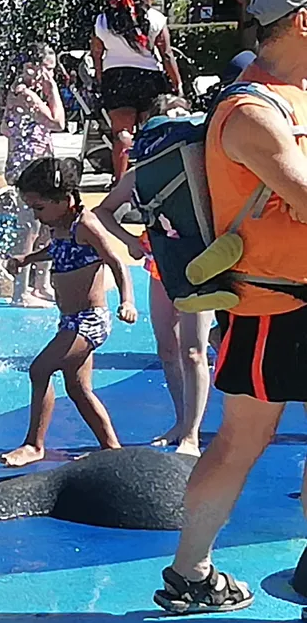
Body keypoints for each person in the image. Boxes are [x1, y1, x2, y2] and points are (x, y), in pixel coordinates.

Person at [153, 0, 307, 615]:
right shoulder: (251, 110)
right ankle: (190, 574)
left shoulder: (295, 94)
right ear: (303, 23)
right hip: (272, 308)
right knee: (240, 441)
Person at [94, 94, 213, 456]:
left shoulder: (201, 164)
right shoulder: (142, 172)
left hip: (200, 263)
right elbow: (103, 211)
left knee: (193, 350)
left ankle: (192, 434)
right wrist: (131, 241)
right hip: (160, 264)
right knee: (167, 348)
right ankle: (180, 420)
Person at [0, 157, 138, 467]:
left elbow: (115, 262)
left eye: (39, 208)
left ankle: (34, 445)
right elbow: (56, 250)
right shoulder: (59, 225)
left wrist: (127, 301)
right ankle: (111, 447)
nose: (36, 215)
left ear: (65, 198)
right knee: (77, 387)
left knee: (39, 370)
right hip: (69, 321)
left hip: (90, 320)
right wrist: (28, 258)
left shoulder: (86, 225)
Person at [91, 0, 184, 182]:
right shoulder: (156, 19)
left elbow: (96, 53)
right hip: (149, 79)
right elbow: (167, 55)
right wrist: (178, 84)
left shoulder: (104, 20)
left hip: (116, 78)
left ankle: (120, 182)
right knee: (151, 130)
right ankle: (150, 179)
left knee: (122, 134)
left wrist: (101, 79)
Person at [0, 43, 66, 307]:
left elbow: (6, 128)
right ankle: (20, 291)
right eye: (47, 70)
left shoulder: (25, 93)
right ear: (32, 68)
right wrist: (53, 92)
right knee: (30, 227)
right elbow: (57, 122)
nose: (49, 76)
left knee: (47, 226)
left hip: (37, 164)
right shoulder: (24, 93)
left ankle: (41, 284)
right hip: (26, 168)